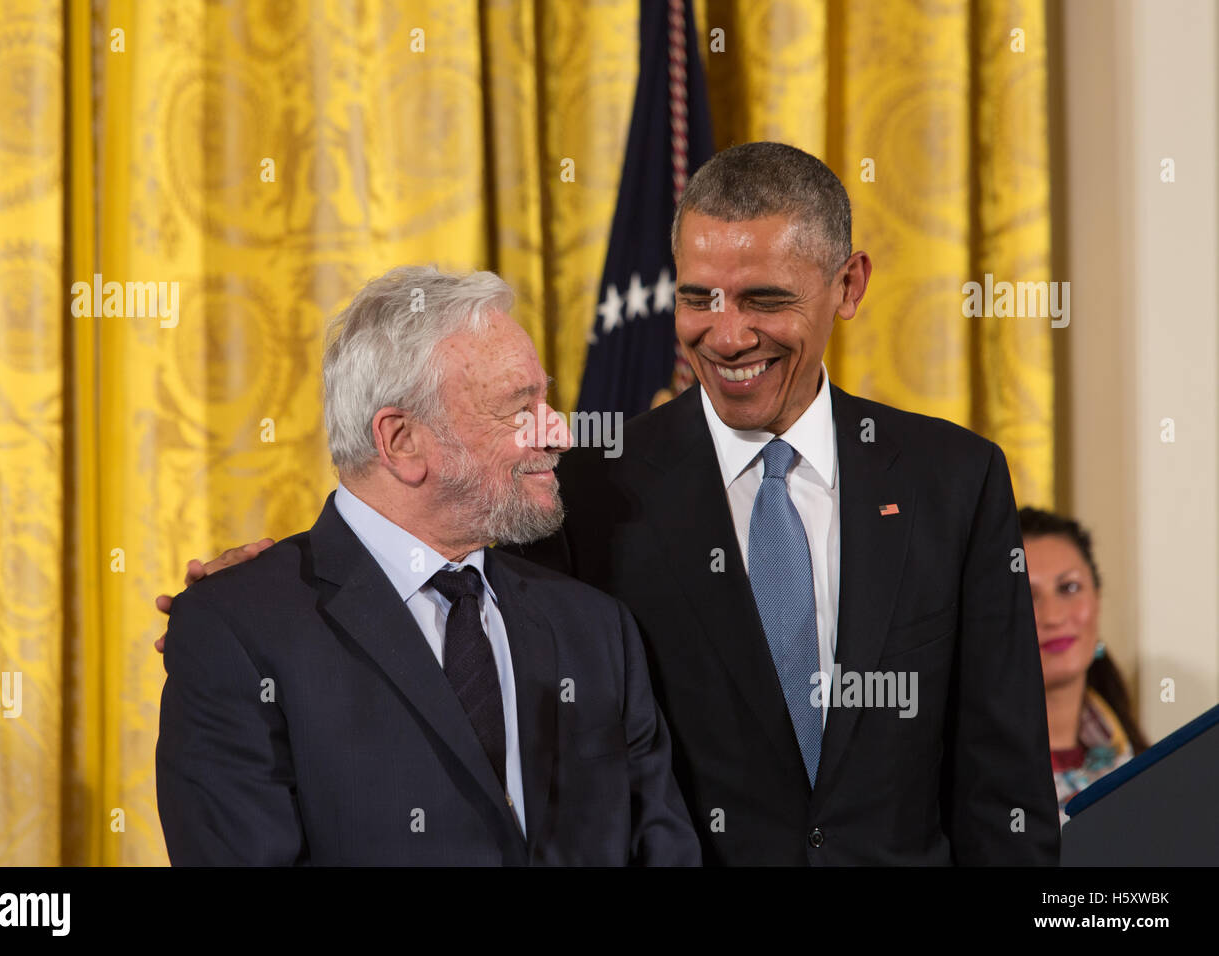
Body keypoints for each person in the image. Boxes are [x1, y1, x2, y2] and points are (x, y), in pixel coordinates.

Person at [160, 143, 1060, 865]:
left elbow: (1001, 780)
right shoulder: (590, 487)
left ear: (849, 286)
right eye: (699, 297)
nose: (727, 332)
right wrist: (273, 582)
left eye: (765, 299)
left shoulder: (954, 479)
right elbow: (423, 554)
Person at [155, 266, 700, 866]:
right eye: (520, 409)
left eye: (545, 399)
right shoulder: (237, 631)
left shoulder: (595, 629)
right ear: (402, 441)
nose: (559, 433)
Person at [1019, 507, 1148, 825]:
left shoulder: (1140, 758)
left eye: (1069, 588)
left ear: (1097, 598)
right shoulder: (966, 774)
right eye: (1025, 596)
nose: (1053, 617)